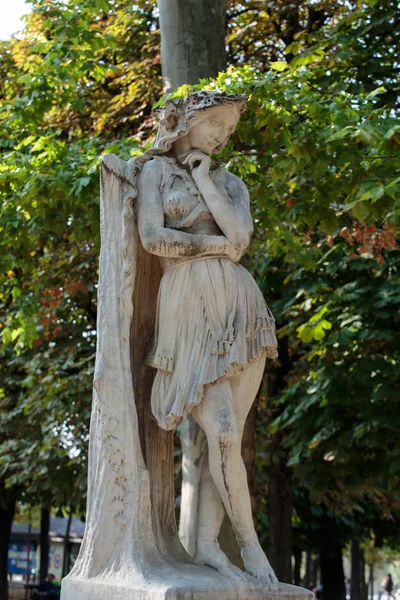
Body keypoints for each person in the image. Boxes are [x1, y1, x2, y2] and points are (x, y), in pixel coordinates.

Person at [135, 91, 278, 584]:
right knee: (219, 429)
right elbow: (153, 238)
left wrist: (202, 176)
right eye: (215, 123)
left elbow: (240, 238)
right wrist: (214, 245)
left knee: (229, 439)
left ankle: (207, 547)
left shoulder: (229, 181)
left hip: (240, 310)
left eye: (228, 130)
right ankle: (252, 551)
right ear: (187, 122)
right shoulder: (154, 173)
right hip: (188, 308)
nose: (221, 135)